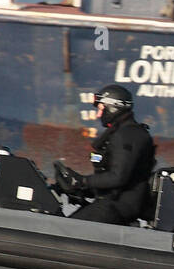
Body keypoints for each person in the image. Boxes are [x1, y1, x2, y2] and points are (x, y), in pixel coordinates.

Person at [59, 85, 157, 224]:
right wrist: (82, 188)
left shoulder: (128, 135)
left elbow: (118, 177)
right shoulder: (121, 133)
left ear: (113, 107)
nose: (98, 115)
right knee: (63, 222)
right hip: (112, 201)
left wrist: (84, 181)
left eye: (101, 109)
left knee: (67, 229)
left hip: (119, 205)